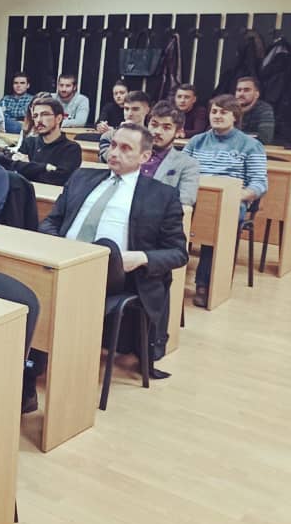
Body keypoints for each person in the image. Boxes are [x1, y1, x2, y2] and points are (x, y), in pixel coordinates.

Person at [40, 123, 188, 362]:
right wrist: (60, 247)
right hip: (63, 261)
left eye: (126, 148)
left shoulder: (162, 195)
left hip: (114, 273)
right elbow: (50, 221)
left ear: (144, 157)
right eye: (113, 145)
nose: (114, 153)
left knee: (96, 260)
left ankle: (59, 357)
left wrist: (141, 258)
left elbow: (178, 253)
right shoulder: (82, 177)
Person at [183, 94, 268, 308]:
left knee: (217, 224)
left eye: (223, 112)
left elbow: (259, 183)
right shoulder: (196, 141)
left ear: (235, 116)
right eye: (214, 111)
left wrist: (234, 196)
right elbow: (180, 170)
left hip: (229, 204)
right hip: (194, 198)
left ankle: (205, 284)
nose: (217, 116)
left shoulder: (251, 145)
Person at [8, 96, 82, 186]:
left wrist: (29, 168)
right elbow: (15, 168)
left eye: (45, 114)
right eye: (35, 116)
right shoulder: (29, 143)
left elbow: (59, 179)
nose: (38, 120)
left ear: (58, 118)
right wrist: (45, 167)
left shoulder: (71, 148)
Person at [146, 102, 201, 207]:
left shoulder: (188, 164)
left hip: (157, 213)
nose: (157, 131)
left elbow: (186, 199)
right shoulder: (133, 155)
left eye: (166, 128)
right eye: (154, 125)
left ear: (178, 132)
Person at [98, 90, 151, 161]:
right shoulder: (108, 136)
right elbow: (105, 160)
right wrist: (120, 135)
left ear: (147, 110)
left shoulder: (152, 138)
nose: (129, 113)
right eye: (126, 109)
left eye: (135, 109)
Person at [235, 76, 275, 144]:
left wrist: (231, 135)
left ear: (257, 94)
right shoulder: (229, 107)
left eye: (246, 90)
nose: (241, 94)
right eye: (239, 90)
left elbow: (265, 138)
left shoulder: (264, 109)